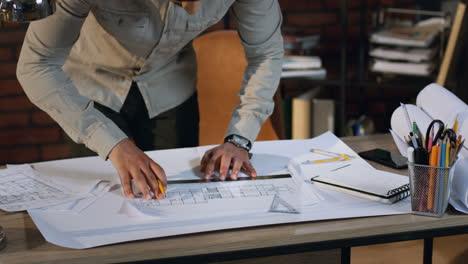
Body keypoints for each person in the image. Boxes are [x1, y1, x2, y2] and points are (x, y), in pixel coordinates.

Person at [16, 0, 284, 200]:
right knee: (107, 204)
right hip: (93, 88)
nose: (192, 9)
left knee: (175, 203)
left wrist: (240, 139)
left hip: (170, 87)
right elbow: (36, 65)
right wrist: (112, 142)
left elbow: (267, 54)